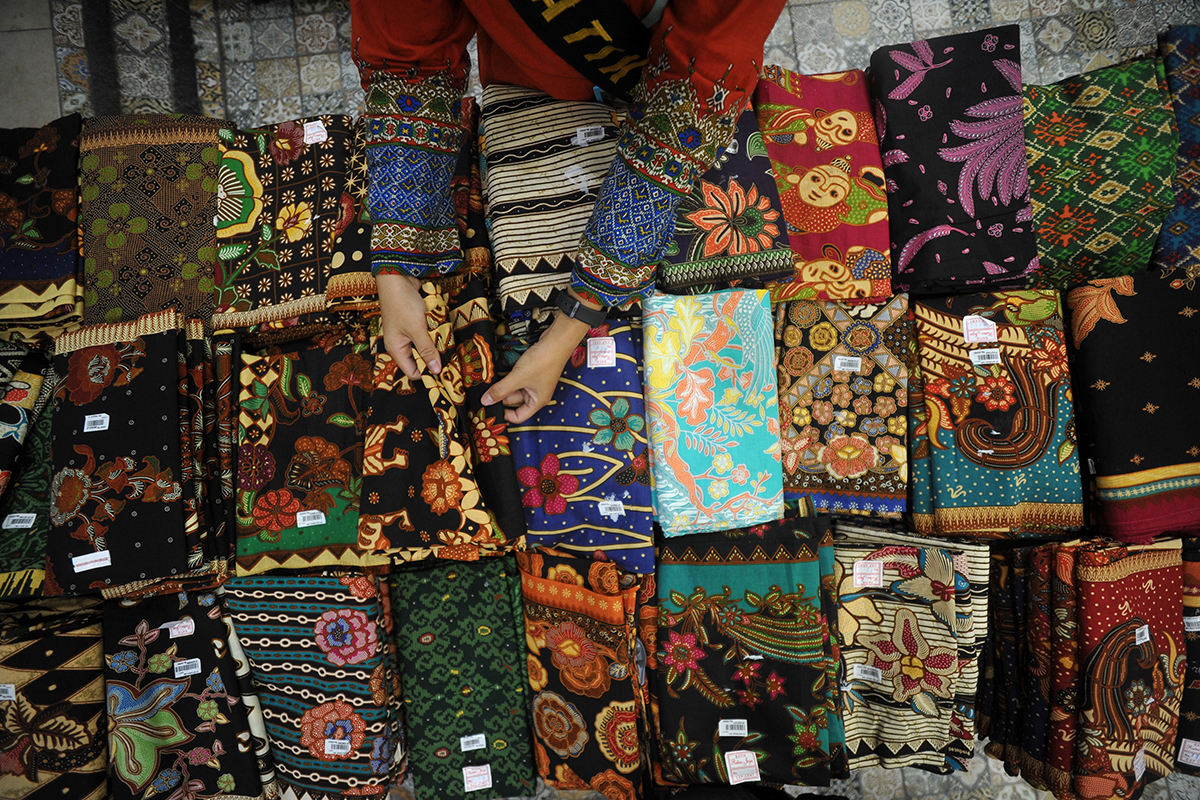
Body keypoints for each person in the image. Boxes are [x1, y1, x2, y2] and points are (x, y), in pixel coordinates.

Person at [351, 0, 787, 422]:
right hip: (525, 70)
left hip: (650, 74)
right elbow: (408, 57)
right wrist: (398, 263)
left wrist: (574, 321)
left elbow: (695, 92)